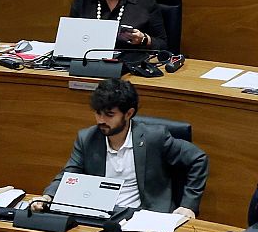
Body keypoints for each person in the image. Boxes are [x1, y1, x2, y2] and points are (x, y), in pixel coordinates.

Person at [32, 78, 208, 219]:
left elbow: (198, 158)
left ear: (129, 113)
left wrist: (188, 205)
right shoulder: (87, 138)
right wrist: (48, 196)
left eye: (109, 115)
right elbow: (69, 175)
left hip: (145, 217)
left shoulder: (154, 137)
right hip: (101, 215)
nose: (101, 120)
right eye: (97, 113)